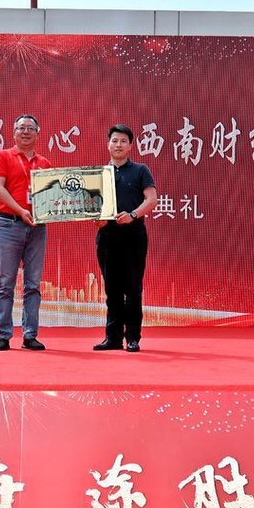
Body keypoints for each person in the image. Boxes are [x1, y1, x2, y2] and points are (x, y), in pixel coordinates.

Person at [0, 114, 51, 351]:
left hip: (37, 228)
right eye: (21, 128)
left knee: (33, 284)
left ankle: (29, 335)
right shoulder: (3, 156)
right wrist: (21, 210)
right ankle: (4, 334)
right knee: (6, 283)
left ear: (38, 133)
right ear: (14, 132)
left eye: (30, 128)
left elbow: (53, 197)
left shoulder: (44, 163)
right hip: (9, 224)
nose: (26, 132)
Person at [93, 124, 158, 353]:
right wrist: (97, 219)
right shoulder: (100, 174)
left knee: (132, 288)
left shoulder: (140, 170)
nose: (118, 145)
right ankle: (112, 338)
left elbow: (151, 200)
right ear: (108, 145)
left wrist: (133, 215)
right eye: (114, 141)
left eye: (123, 141)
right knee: (112, 289)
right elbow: (91, 205)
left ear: (130, 146)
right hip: (107, 236)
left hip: (133, 236)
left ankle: (132, 337)